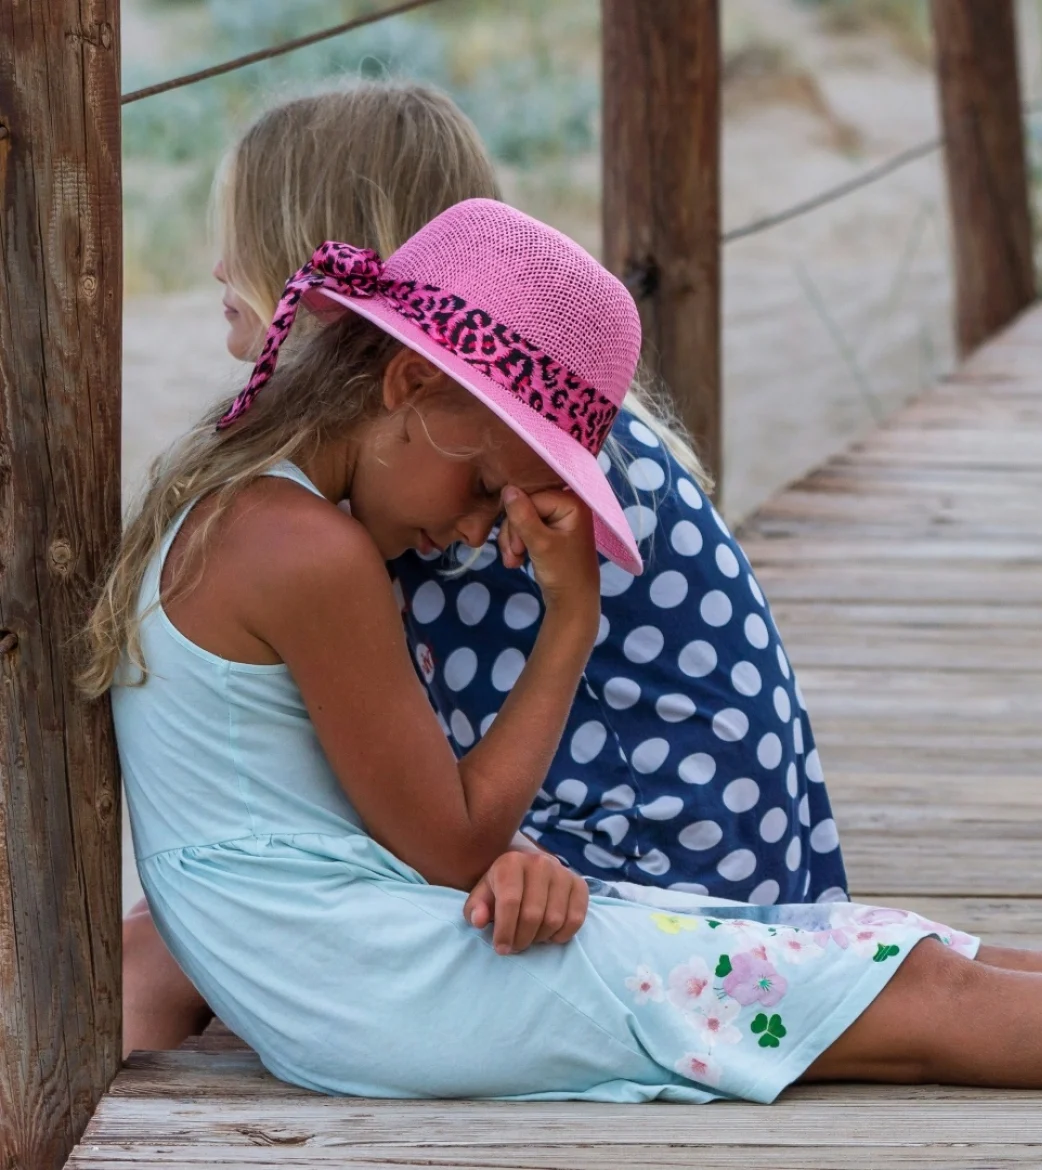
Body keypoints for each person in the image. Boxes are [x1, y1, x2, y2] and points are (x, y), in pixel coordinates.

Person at [92, 200, 1042, 1102]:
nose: (480, 532)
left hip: (359, 967)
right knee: (925, 999)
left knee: (899, 949)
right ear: (409, 387)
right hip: (383, 984)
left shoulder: (249, 512)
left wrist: (506, 861)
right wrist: (572, 620)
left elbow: (365, 827)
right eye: (483, 488)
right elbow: (454, 842)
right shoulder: (304, 550)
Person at [123, 81, 845, 1056]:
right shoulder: (501, 420)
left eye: (245, 246)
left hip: (656, 869)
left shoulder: (478, 468)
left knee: (168, 951)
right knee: (169, 937)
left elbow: (431, 824)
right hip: (726, 852)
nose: (219, 267)